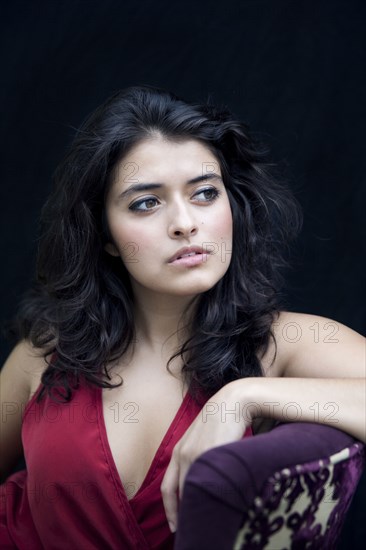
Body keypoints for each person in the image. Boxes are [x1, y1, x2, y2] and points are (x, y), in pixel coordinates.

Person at [0, 85, 364, 549]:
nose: (184, 223)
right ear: (105, 234)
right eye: (145, 202)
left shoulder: (283, 341)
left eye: (205, 193)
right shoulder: (45, 350)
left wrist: (242, 397)